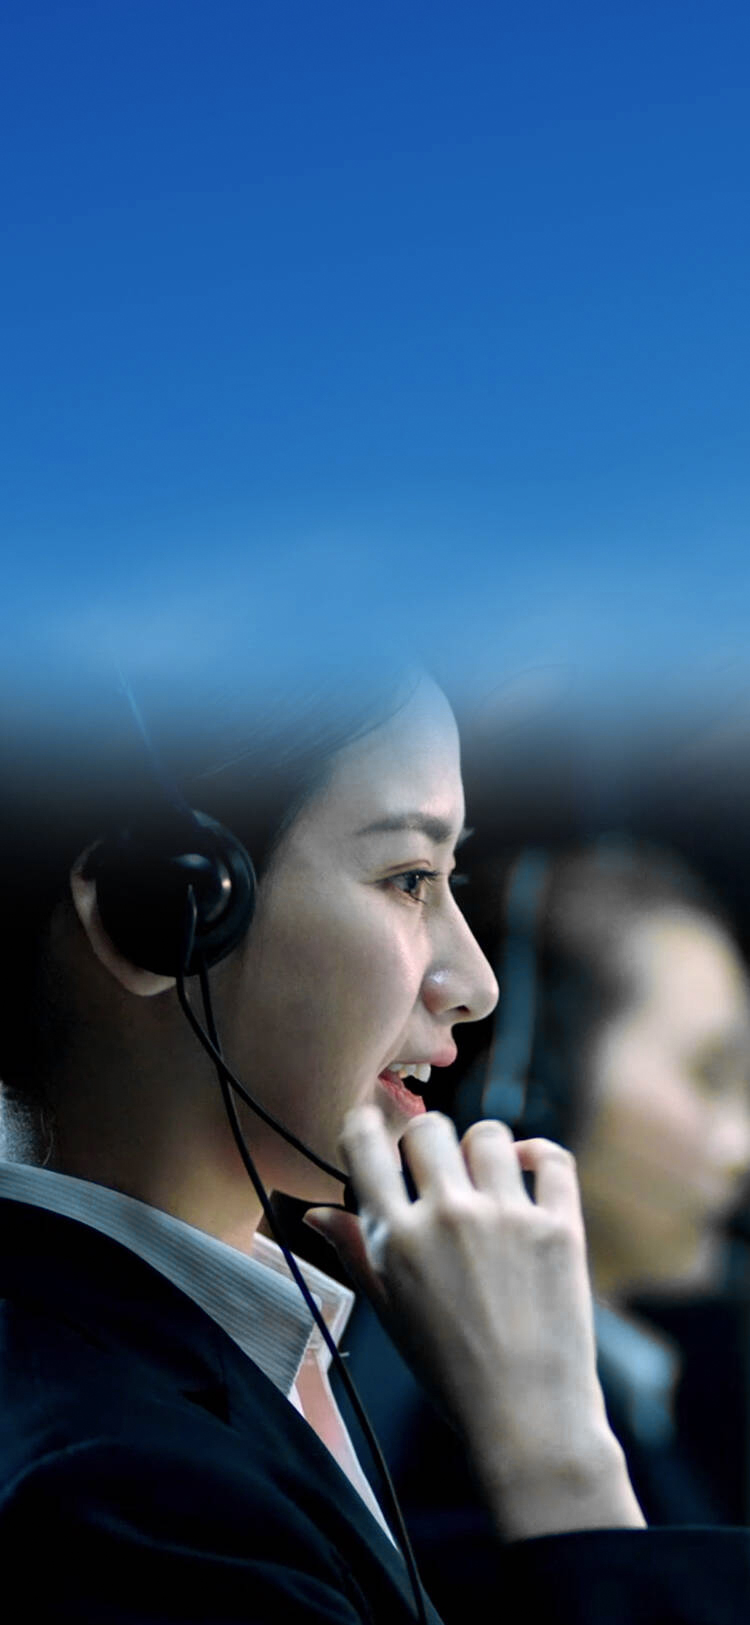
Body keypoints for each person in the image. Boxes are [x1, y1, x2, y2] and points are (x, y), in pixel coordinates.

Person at [0, 665, 749, 1624]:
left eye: (449, 880)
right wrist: (558, 1465)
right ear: (154, 909)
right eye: (409, 880)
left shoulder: (236, 1374)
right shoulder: (118, 1496)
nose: (476, 984)